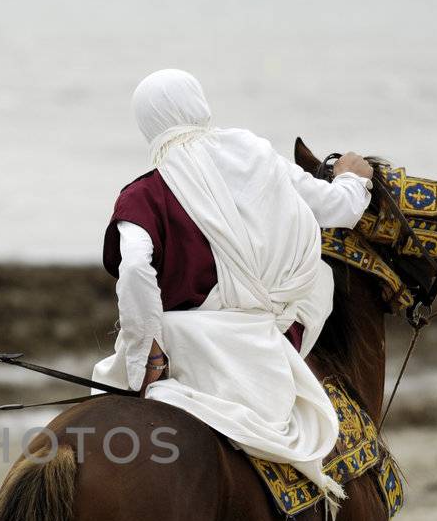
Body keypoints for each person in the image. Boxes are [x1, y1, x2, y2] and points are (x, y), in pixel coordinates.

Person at [92, 69, 373, 495]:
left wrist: (144, 350)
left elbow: (133, 270)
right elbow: (338, 209)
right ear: (199, 104)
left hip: (182, 351)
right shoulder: (256, 155)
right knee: (321, 283)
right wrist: (353, 177)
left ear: (145, 124)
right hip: (262, 344)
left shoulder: (143, 194)